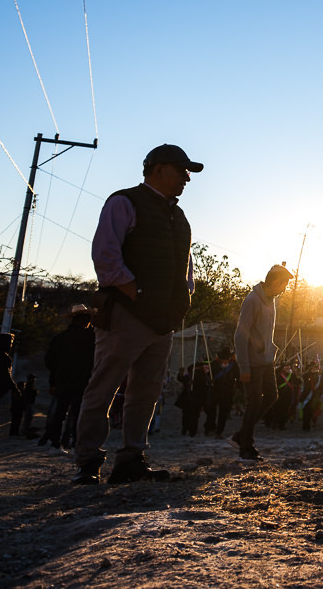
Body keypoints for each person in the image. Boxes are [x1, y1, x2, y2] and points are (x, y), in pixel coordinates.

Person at [74, 144, 202, 485]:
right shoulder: (124, 201)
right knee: (103, 387)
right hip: (127, 314)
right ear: (158, 169)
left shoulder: (179, 216)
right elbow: (105, 256)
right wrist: (137, 293)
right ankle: (88, 462)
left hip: (163, 320)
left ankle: (131, 459)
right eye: (181, 170)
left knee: (146, 391)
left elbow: (186, 267)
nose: (187, 178)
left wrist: (183, 298)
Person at [230, 264, 293, 461]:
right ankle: (246, 448)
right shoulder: (252, 300)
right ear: (274, 281)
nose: (284, 288)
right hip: (253, 363)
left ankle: (241, 435)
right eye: (283, 284)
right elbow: (240, 335)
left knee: (272, 396)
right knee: (254, 402)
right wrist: (244, 366)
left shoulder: (271, 300)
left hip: (266, 361)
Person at [40, 304, 96, 453]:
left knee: (60, 413)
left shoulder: (60, 338)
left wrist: (54, 379)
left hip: (62, 381)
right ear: (87, 321)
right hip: (83, 381)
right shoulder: (91, 338)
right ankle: (77, 443)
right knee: (79, 414)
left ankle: (55, 444)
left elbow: (50, 361)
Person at [205, 349, 240, 438]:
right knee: (211, 411)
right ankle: (210, 428)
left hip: (227, 391)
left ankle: (219, 431)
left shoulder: (234, 365)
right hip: (215, 390)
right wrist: (210, 380)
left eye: (227, 359)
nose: (225, 360)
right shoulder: (213, 364)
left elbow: (238, 376)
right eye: (223, 359)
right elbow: (208, 376)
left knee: (223, 412)